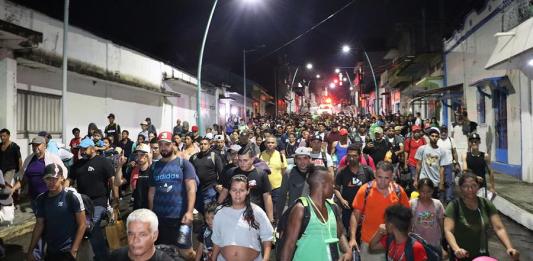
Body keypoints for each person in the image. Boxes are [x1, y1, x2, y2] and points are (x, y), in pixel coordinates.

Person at [279, 166, 352, 261]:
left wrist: (348, 252)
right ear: (322, 185)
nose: (334, 187)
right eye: (332, 183)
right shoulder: (301, 209)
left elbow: (340, 234)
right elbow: (289, 245)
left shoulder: (333, 207)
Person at [444, 173, 519, 261]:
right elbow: (448, 231)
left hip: (482, 256)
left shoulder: (486, 204)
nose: (470, 189)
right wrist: (456, 249)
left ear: (478, 186)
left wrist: (509, 248)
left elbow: (499, 228)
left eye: (473, 185)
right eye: (465, 186)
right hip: (461, 256)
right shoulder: (454, 206)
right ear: (460, 188)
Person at [148, 131, 198, 260]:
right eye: (161, 144)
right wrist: (151, 214)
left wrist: (189, 212)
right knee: (162, 251)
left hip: (181, 220)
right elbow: (152, 192)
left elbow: (191, 189)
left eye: (167, 144)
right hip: (160, 220)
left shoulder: (183, 164)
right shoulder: (154, 167)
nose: (164, 147)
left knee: (186, 252)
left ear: (173, 145)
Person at [349, 161, 410, 261]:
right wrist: (352, 238)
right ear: (374, 174)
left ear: (392, 177)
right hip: (369, 243)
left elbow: (407, 216)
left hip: (394, 244)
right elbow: (356, 215)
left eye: (386, 178)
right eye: (380, 177)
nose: (382, 181)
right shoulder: (365, 190)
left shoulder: (399, 191)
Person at [28, 163, 86, 261]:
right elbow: (39, 225)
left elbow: (82, 224)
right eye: (48, 178)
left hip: (68, 251)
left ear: (62, 179)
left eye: (55, 178)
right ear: (43, 179)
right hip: (51, 250)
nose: (51, 182)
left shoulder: (72, 196)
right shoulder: (41, 199)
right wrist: (31, 251)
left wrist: (74, 251)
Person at [69, 137, 114, 261]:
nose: (82, 151)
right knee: (80, 228)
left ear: (93, 148)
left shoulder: (103, 162)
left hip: (99, 202)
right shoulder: (77, 164)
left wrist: (114, 201)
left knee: (91, 226)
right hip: (82, 204)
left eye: (84, 149)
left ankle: (102, 257)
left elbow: (112, 181)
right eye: (80, 149)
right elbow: (69, 181)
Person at [211, 175, 274, 261]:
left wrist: (265, 259)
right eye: (234, 190)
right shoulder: (220, 212)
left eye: (242, 190)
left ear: (248, 191)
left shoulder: (257, 211)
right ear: (229, 191)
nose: (237, 194)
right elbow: (216, 239)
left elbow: (267, 236)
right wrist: (213, 258)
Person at [217, 148, 274, 223]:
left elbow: (267, 197)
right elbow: (224, 192)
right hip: (234, 216)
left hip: (255, 216)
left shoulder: (261, 174)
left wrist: (270, 219)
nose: (242, 163)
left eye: (245, 160)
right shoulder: (231, 172)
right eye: (240, 160)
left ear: (253, 159)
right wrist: (217, 210)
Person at [334, 145, 374, 234]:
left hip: (363, 209)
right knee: (348, 232)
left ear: (359, 156)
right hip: (347, 208)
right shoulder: (342, 171)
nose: (351, 158)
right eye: (349, 156)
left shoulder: (367, 170)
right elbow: (336, 188)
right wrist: (341, 200)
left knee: (363, 232)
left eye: (354, 156)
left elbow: (375, 186)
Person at [109, 208, 174, 261]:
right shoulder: (116, 256)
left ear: (155, 235)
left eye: (142, 234)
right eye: (131, 234)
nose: (135, 240)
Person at [414, 127, 452, 199]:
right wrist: (416, 179)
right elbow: (418, 165)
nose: (434, 138)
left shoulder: (442, 151)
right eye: (432, 136)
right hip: (424, 179)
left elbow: (442, 168)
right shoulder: (422, 149)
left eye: (436, 136)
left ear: (439, 138)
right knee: (423, 200)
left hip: (435, 181)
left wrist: (441, 183)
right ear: (429, 136)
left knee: (433, 202)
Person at [410, 178, 445, 253]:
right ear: (418, 191)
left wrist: (442, 236)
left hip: (434, 241)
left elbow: (441, 222)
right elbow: (409, 221)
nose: (425, 194)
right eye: (423, 192)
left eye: (428, 192)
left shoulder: (437, 204)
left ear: (432, 191)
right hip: (418, 241)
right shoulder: (413, 204)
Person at [190, 137, 224, 214]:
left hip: (211, 189)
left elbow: (221, 172)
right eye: (201, 144)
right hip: (198, 190)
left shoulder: (214, 156)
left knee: (208, 211)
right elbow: (189, 172)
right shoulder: (194, 157)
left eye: (205, 144)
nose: (203, 145)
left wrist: (218, 185)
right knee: (199, 211)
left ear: (209, 145)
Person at [116, 143, 152, 210]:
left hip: (151, 210)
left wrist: (150, 163)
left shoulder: (153, 170)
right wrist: (120, 165)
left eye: (142, 154)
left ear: (148, 155)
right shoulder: (134, 171)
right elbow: (118, 183)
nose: (139, 157)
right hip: (137, 209)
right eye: (137, 154)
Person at [259, 137, 287, 220]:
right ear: (265, 144)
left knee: (277, 209)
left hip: (277, 187)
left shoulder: (281, 156)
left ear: (276, 144)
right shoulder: (259, 156)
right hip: (263, 188)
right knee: (263, 208)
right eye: (268, 142)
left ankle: (276, 225)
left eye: (272, 142)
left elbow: (284, 171)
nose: (270, 144)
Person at [437, 125, 460, 203]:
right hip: (439, 165)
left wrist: (456, 163)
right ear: (440, 132)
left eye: (445, 131)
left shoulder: (451, 140)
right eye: (442, 131)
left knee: (449, 182)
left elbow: (454, 152)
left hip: (449, 164)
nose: (443, 133)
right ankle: (441, 198)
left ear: (447, 131)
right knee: (440, 182)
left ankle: (448, 198)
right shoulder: (437, 140)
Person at [0, 128, 22, 205]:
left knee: (5, 185)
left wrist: (20, 171)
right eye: (1, 136)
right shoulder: (0, 146)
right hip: (1, 170)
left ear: (8, 136)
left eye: (4, 136)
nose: (2, 137)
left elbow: (19, 159)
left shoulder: (14, 146)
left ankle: (8, 203)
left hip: (11, 169)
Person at [404, 125, 426, 191]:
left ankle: (420, 191)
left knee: (420, 178)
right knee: (414, 177)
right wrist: (405, 163)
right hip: (412, 162)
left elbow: (426, 150)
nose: (416, 132)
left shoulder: (423, 140)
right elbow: (406, 152)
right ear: (412, 132)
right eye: (415, 131)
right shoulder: (408, 140)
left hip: (421, 162)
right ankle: (414, 192)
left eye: (418, 131)